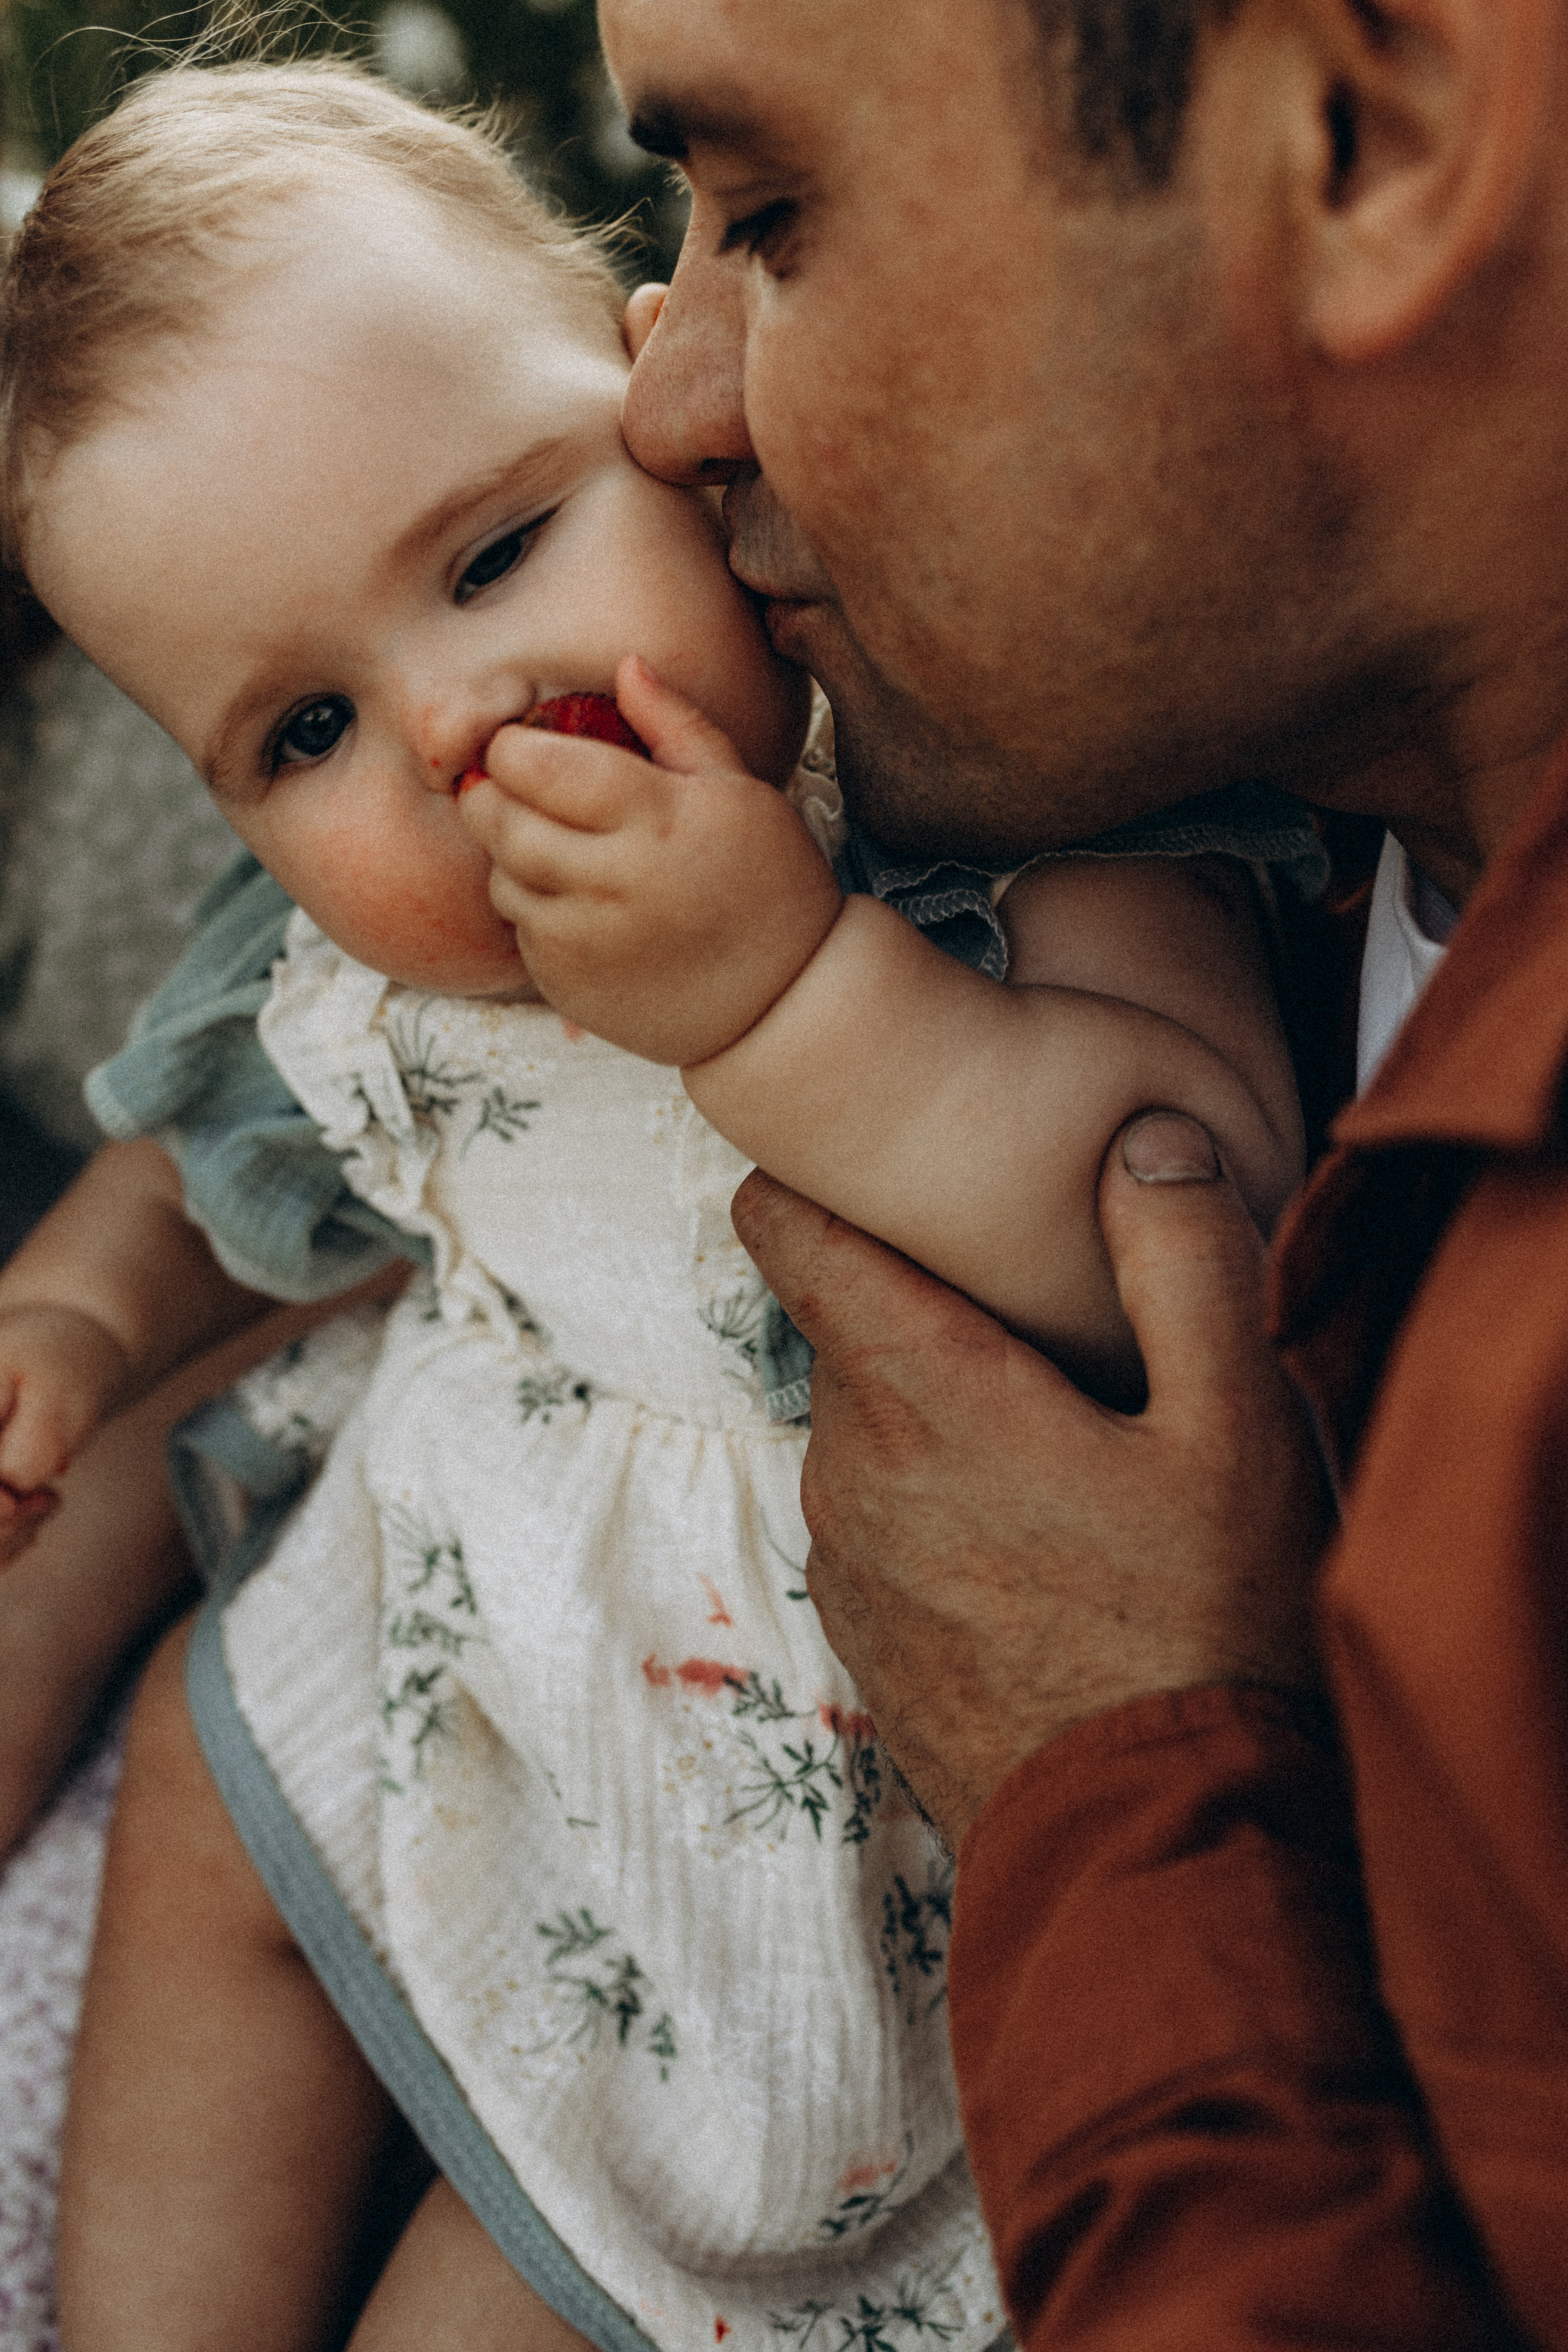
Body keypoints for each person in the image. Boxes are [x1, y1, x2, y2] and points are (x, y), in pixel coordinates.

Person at [0, 58, 1322, 2352]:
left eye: (498, 553)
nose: (445, 727)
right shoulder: (362, 944)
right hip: (451, 1613)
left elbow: (1176, 1195)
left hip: (777, 1785)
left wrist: (794, 992)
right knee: (213, 1820)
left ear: (655, 396)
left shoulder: (970, 772)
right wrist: (87, 1312)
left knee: (543, 2268)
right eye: (301, 732)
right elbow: (229, 1150)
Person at [594, 0, 1568, 2342]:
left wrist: (1117, 1769)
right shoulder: (1299, 897)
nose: (659, 395)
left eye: (779, 216)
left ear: (1366, 137)